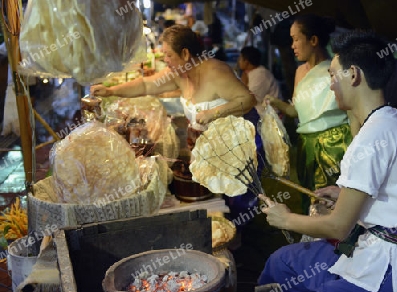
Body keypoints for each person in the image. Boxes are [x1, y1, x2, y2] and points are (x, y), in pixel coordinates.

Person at [257, 29, 397, 292]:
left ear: (354, 75)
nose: (331, 85)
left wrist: (285, 219)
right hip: (386, 247)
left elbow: (338, 226)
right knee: (282, 262)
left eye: (333, 76)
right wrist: (342, 192)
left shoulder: (373, 136)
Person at [91, 25, 262, 225]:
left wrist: (214, 113)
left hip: (239, 146)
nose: (165, 60)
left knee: (239, 202)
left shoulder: (216, 71)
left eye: (168, 55)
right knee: (220, 197)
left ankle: (242, 241)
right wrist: (111, 91)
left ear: (185, 53)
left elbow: (247, 100)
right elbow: (146, 85)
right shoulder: (179, 75)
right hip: (213, 147)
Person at [263, 14, 354, 223]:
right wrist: (276, 103)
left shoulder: (337, 69)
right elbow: (297, 112)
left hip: (334, 144)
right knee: (309, 197)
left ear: (313, 40)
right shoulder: (299, 72)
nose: (292, 45)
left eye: (296, 39)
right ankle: (314, 242)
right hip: (306, 146)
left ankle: (335, 243)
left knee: (330, 201)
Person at [238, 46, 281, 115]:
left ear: (246, 61)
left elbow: (250, 99)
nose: (238, 61)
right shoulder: (249, 73)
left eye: (240, 58)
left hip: (267, 115)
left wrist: (244, 84)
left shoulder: (261, 75)